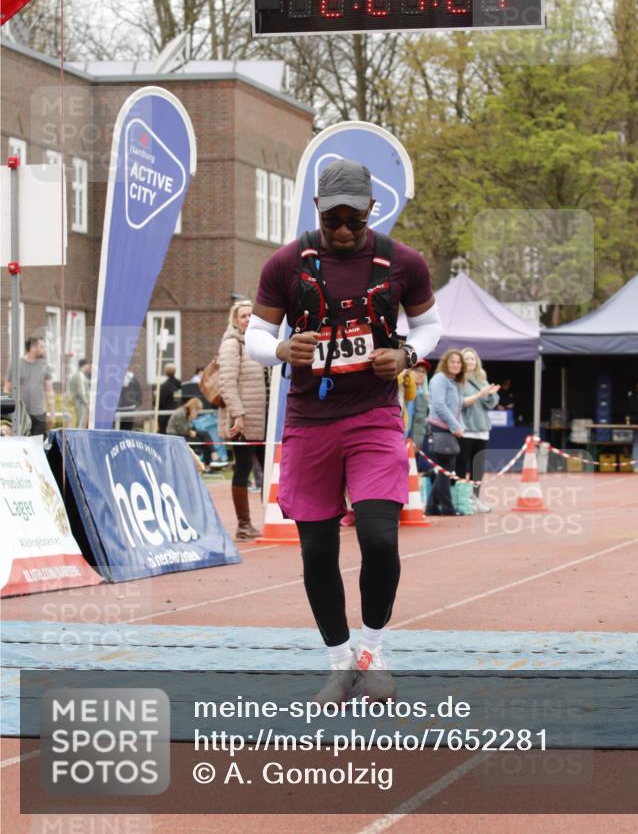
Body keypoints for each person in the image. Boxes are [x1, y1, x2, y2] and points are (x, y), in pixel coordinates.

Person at [246, 158, 441, 701]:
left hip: (374, 416)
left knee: (380, 538)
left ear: (371, 211)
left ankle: (374, 650)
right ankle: (339, 659)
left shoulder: (403, 261)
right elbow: (256, 336)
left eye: (355, 219)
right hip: (310, 421)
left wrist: (404, 354)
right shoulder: (286, 263)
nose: (345, 230)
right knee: (316, 551)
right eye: (334, 220)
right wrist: (283, 348)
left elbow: (430, 325)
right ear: (317, 211)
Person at [218, 299, 266, 541]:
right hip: (244, 421)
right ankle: (244, 525)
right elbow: (226, 382)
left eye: (251, 315)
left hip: (264, 422)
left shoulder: (260, 341)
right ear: (235, 320)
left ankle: (271, 518)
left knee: (268, 472)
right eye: (243, 316)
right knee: (243, 468)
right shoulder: (232, 344)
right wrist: (238, 414)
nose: (247, 319)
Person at [457, 348, 500, 511]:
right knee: (461, 466)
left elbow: (490, 404)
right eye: (467, 358)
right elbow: (459, 403)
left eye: (473, 359)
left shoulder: (481, 379)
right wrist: (480, 394)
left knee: (477, 467)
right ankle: (461, 498)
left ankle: (475, 497)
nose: (470, 361)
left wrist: (490, 394)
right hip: (465, 429)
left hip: (482, 429)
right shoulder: (457, 380)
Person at [426, 348, 466, 516]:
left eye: (458, 362)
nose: (456, 365)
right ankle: (447, 508)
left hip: (448, 430)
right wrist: (455, 426)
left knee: (445, 470)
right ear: (445, 363)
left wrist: (460, 426)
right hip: (440, 428)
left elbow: (458, 407)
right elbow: (439, 405)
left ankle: (432, 507)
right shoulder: (439, 379)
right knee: (445, 471)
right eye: (452, 361)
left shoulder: (454, 382)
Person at [3, 336, 55, 437]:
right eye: (42, 346)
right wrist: (6, 413)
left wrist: (52, 414)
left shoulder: (45, 365)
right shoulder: (16, 364)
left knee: (37, 445)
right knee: (20, 445)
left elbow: (49, 391)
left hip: (39, 414)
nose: (44, 349)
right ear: (33, 347)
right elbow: (7, 389)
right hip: (20, 414)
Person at [166, 397, 221, 473]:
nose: (197, 412)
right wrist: (190, 430)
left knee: (205, 440)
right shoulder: (181, 413)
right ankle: (213, 457)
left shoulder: (185, 412)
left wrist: (191, 428)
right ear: (193, 407)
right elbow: (182, 430)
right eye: (197, 409)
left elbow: (189, 428)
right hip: (176, 437)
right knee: (205, 437)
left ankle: (210, 462)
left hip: (182, 435)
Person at [156, 362, 182, 434]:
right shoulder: (178, 385)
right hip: (176, 412)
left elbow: (160, 401)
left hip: (165, 415)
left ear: (165, 372)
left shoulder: (164, 386)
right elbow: (177, 399)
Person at [69, 358, 91, 428]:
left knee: (80, 422)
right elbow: (81, 391)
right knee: (80, 423)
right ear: (86, 365)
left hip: (79, 403)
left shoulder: (78, 375)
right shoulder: (80, 375)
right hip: (80, 404)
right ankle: (78, 438)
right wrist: (86, 402)